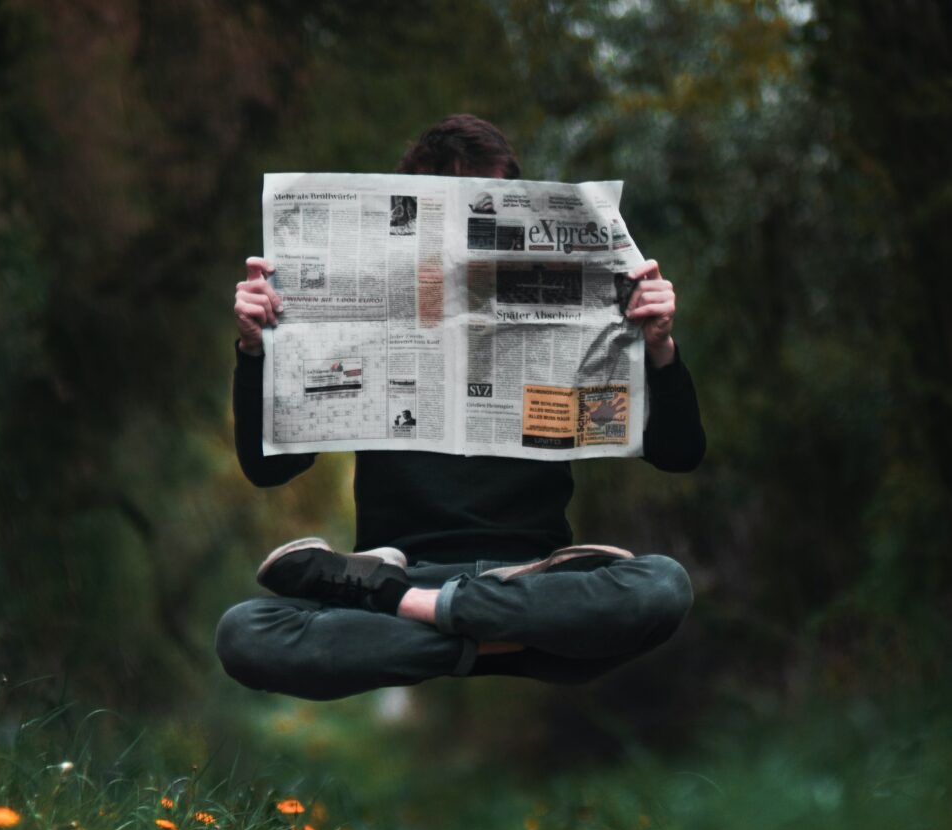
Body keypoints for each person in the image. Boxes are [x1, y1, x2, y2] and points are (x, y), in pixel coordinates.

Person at [215, 114, 706, 701]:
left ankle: (416, 608)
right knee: (243, 633)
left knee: (663, 587)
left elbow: (680, 453)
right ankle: (464, 624)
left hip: (531, 580)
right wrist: (254, 350)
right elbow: (269, 470)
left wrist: (658, 347)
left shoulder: (580, 297)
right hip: (478, 602)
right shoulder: (363, 306)